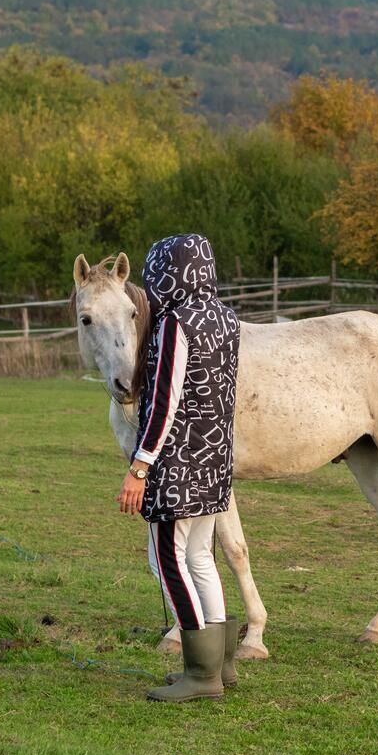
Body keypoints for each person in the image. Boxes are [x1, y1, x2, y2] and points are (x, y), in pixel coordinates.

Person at [116, 233, 241, 702]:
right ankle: (221, 666)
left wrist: (140, 465)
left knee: (169, 559)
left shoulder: (174, 324)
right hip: (214, 460)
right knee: (202, 557)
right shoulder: (226, 319)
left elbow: (165, 401)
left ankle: (200, 674)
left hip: (177, 462)